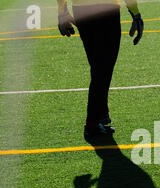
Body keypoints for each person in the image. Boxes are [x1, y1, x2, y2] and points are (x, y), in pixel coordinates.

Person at [57, 0, 144, 140]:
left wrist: (62, 12)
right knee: (103, 68)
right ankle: (92, 123)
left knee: (97, 65)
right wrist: (135, 13)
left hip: (81, 10)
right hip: (106, 9)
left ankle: (102, 112)